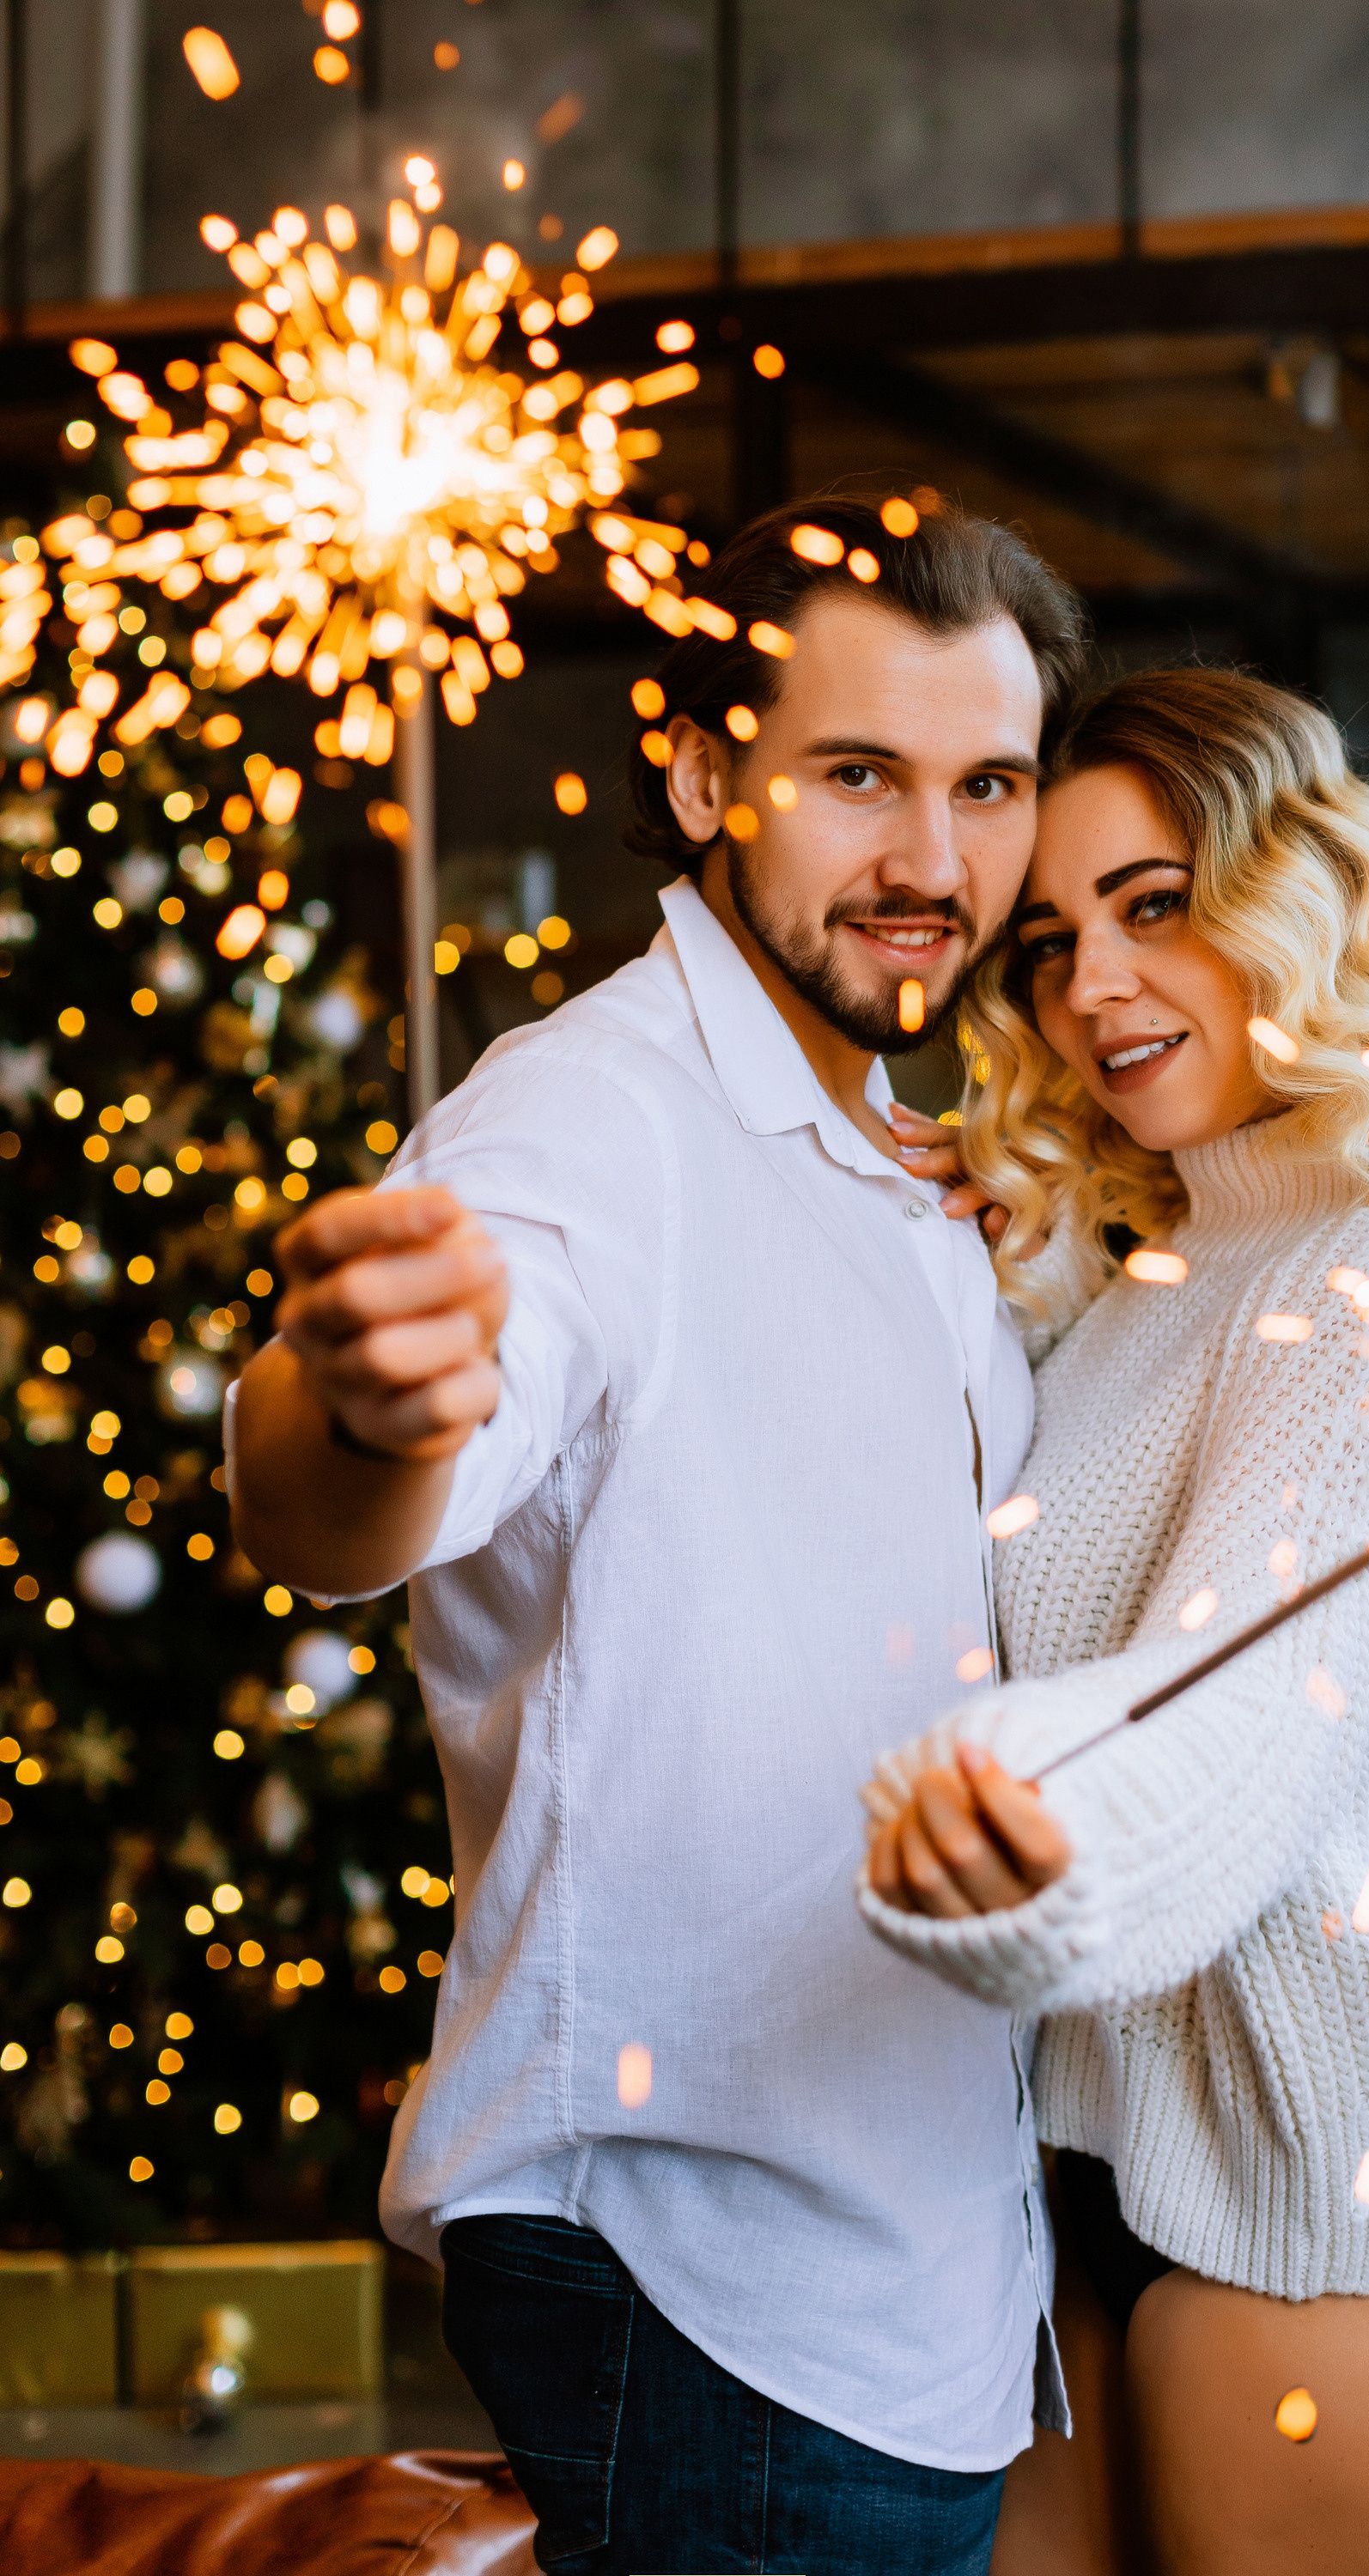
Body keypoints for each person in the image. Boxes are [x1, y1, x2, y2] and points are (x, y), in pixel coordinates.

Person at [227, 493, 1089, 2576]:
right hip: (709, 2265)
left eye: (987, 786)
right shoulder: (589, 1117)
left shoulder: (897, 1148)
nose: (934, 861)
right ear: (705, 778)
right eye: (857, 776)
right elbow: (341, 1504)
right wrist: (360, 1405)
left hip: (914, 2258)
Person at [861, 669, 1369, 2576]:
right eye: (1047, 941)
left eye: (1154, 905)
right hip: (1101, 2190)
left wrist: (1020, 1827)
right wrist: (1006, 1280)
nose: (1092, 986)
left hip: (1322, 2228)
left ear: (1291, 895)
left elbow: (1235, 1710)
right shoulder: (1170, 1262)